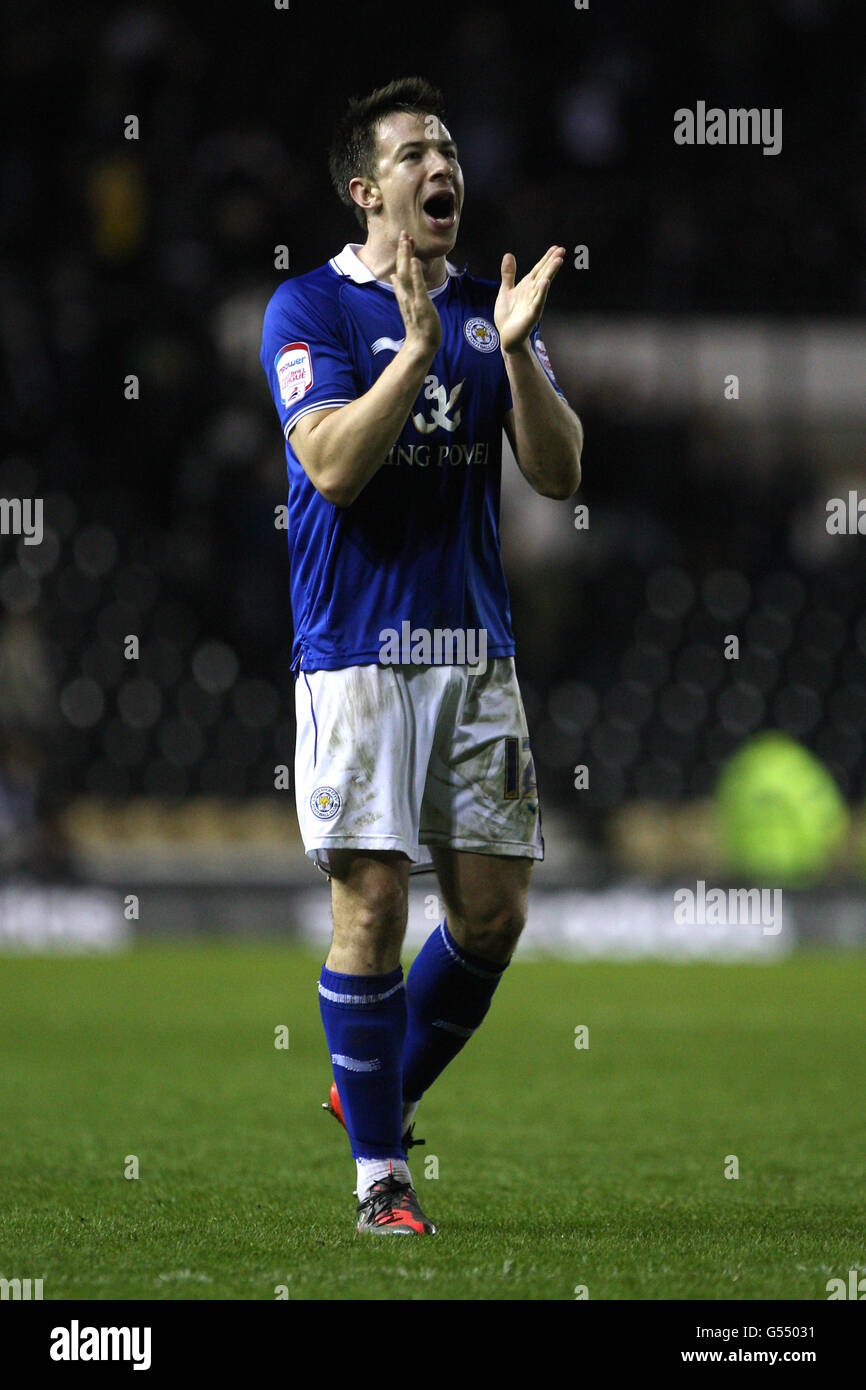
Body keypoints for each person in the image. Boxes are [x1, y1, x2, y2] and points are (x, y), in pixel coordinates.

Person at [260, 77, 582, 1234]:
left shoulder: (491, 315)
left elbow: (558, 471)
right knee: (377, 899)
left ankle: (367, 1098)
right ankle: (381, 1180)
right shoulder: (305, 310)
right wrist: (416, 353)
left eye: (447, 147)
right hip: (354, 654)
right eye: (414, 153)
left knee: (491, 915)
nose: (440, 164)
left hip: (473, 654)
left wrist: (514, 354)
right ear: (367, 190)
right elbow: (334, 468)